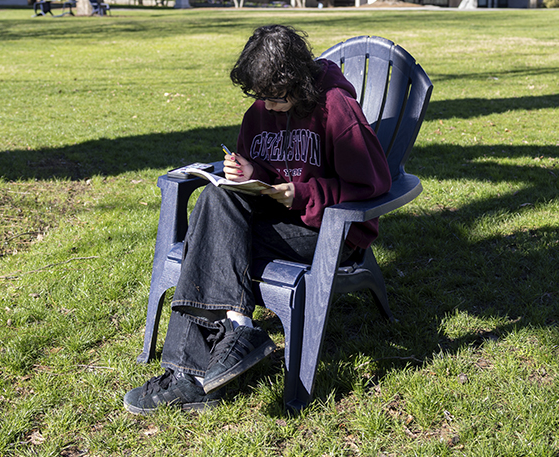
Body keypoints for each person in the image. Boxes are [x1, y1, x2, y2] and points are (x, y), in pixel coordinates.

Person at [124, 25, 392, 414]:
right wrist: (253, 173)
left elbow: (373, 183)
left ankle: (189, 373)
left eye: (273, 96)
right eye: (258, 95)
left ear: (297, 82)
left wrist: (302, 194)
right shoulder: (259, 115)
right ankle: (236, 329)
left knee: (205, 237)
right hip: (277, 221)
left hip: (328, 232)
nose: (265, 105)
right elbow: (266, 174)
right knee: (215, 197)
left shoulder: (336, 109)